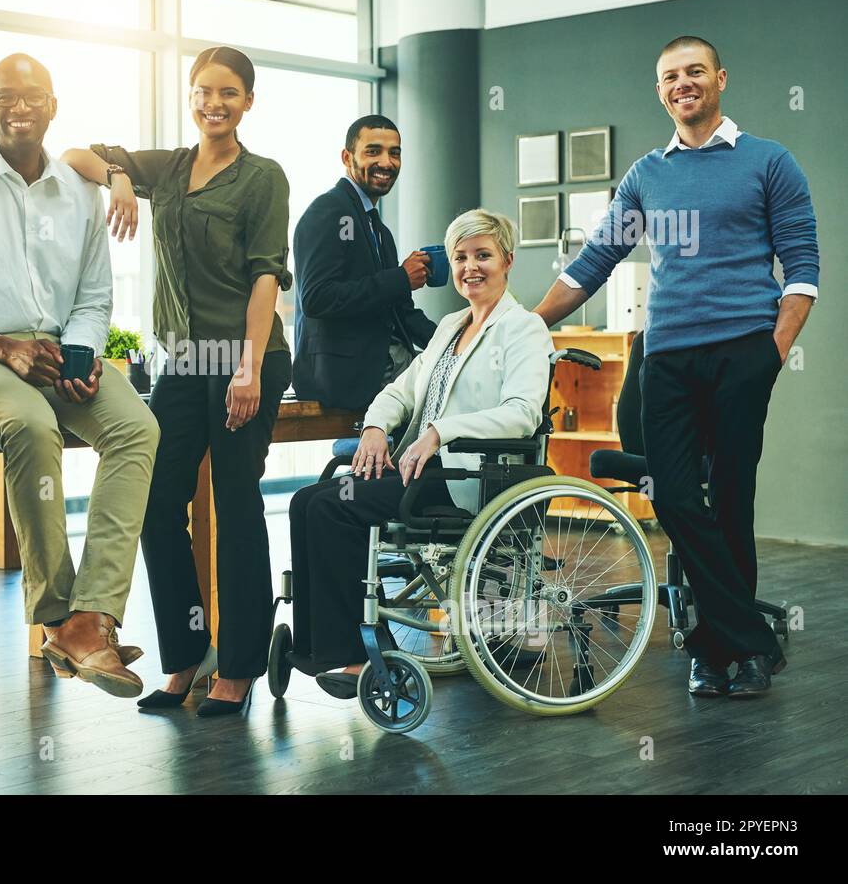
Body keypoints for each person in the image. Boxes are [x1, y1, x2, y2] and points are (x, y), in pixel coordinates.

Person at [533, 36, 819, 699]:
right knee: (674, 495)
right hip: (664, 357)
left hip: (742, 351)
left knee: (732, 500)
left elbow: (803, 270)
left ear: (719, 78)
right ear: (660, 90)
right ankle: (748, 639)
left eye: (694, 71)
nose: (682, 83)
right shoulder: (645, 174)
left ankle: (716, 653)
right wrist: (523, 322)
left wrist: (771, 352)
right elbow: (589, 266)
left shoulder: (770, 161)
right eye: (670, 76)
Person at [62, 46, 293, 716]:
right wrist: (119, 179)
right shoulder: (171, 167)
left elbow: (265, 277)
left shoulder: (262, 178)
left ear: (248, 101)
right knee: (157, 502)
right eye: (202, 91)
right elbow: (75, 152)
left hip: (245, 356)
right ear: (190, 97)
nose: (212, 103)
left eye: (227, 92)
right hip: (181, 361)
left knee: (235, 501)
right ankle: (186, 654)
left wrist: (247, 367)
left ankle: (240, 667)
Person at [0, 54, 159, 699]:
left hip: (57, 348)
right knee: (29, 424)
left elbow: (96, 294)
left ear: (53, 107)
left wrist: (79, 351)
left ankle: (91, 615)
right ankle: (54, 614)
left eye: (34, 95)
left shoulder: (81, 192)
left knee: (136, 427)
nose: (20, 106)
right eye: (5, 96)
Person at [289, 209, 551, 699]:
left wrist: (440, 431)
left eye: (483, 255)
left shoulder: (524, 328)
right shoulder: (451, 325)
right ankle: (314, 649)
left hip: (465, 477)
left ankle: (352, 653)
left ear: (507, 261)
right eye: (460, 257)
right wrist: (373, 427)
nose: (471, 267)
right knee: (306, 500)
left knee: (331, 507)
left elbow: (522, 413)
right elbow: (401, 389)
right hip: (420, 470)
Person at [292, 114, 437, 409]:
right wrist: (400, 278)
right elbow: (317, 298)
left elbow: (399, 310)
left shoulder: (377, 227)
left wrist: (456, 341)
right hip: (345, 376)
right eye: (373, 151)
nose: (386, 162)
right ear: (347, 157)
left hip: (383, 365)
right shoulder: (330, 211)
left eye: (394, 153)